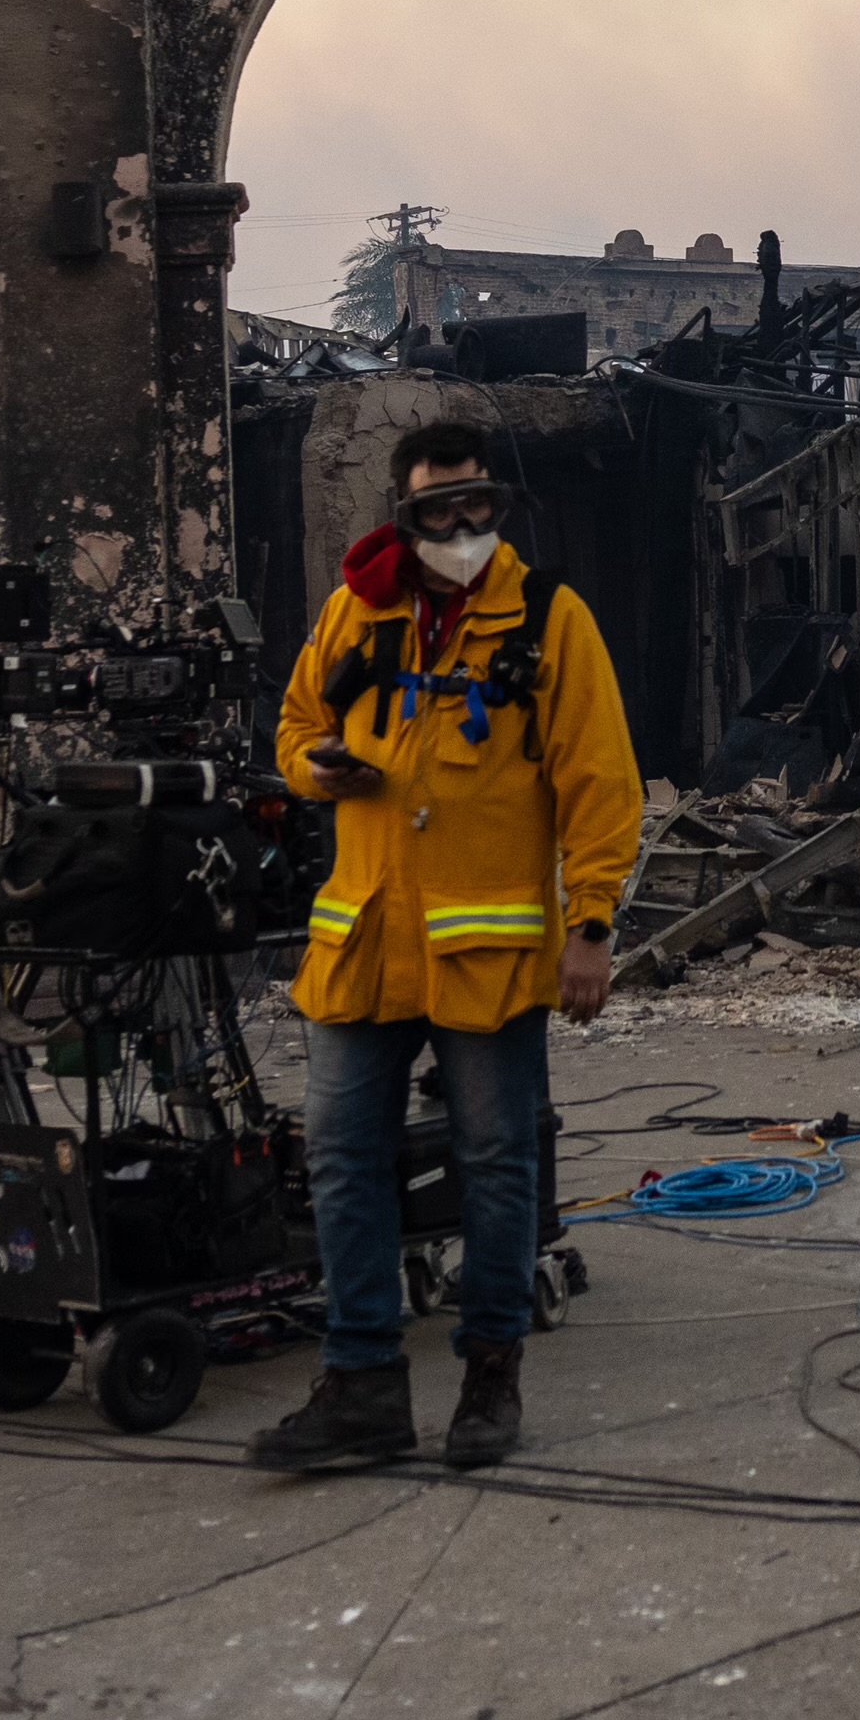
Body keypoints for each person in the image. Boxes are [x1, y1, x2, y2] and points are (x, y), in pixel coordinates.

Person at [255, 420, 644, 1473]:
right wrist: (316, 770)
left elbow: (601, 784)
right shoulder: (356, 611)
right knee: (341, 1161)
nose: (464, 524)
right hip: (366, 943)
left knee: (497, 1167)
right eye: (440, 508)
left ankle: (489, 1381)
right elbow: (293, 728)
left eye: (479, 502)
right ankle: (362, 1387)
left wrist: (592, 925)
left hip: (487, 957)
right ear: (405, 515)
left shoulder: (549, 621)